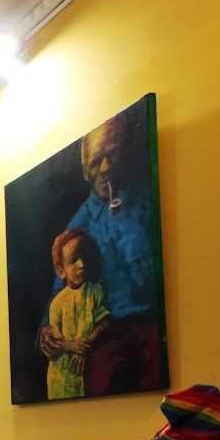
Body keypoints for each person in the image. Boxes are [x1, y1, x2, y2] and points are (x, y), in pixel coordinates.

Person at [38, 112, 163, 395]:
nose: (106, 167)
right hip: (107, 337)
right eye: (96, 161)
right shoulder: (79, 224)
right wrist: (47, 329)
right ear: (86, 170)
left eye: (112, 154)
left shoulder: (147, 198)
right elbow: (60, 289)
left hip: (152, 326)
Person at [44, 229, 110, 400]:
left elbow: (104, 322)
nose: (82, 264)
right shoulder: (57, 303)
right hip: (62, 372)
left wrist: (84, 346)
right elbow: (55, 342)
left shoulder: (96, 291)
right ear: (60, 270)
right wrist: (72, 346)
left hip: (88, 366)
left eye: (84, 258)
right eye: (74, 260)